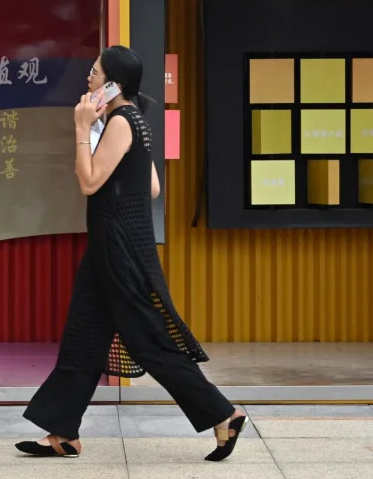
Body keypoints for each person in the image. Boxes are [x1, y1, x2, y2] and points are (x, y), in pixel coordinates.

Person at [15, 45, 247, 462]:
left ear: (113, 85)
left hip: (118, 247)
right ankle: (63, 433)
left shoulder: (121, 122)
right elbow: (151, 186)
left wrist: (81, 128)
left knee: (148, 339)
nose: (88, 78)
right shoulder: (129, 121)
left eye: (94, 72)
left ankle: (222, 414)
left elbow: (88, 182)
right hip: (112, 243)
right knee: (84, 335)